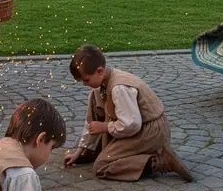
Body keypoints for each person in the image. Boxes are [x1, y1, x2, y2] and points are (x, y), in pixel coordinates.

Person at [63, 45, 192, 181]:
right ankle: (97, 152)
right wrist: (79, 151)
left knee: (102, 166)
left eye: (86, 79)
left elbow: (132, 124)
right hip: (134, 129)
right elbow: (92, 123)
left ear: (100, 71)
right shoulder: (98, 88)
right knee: (96, 151)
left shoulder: (119, 88)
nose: (84, 84)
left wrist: (106, 127)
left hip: (150, 131)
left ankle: (160, 161)